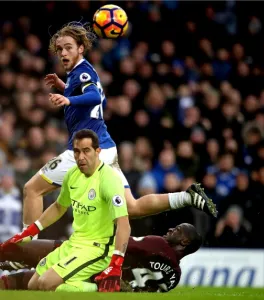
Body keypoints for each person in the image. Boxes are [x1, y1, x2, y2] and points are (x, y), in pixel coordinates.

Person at [22, 21, 217, 230]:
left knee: (32, 189)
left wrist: (69, 100)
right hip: (105, 148)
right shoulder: (81, 74)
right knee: (131, 207)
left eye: (68, 47)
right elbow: (103, 101)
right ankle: (186, 197)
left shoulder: (82, 73)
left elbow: (95, 96)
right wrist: (66, 88)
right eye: (60, 49)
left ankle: (24, 248)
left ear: (80, 48)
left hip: (86, 150)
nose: (63, 52)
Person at [0, 129, 131, 292]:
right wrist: (32, 229)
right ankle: (90, 282)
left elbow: (124, 223)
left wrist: (116, 263)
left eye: (86, 151)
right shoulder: (72, 174)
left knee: (46, 284)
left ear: (98, 152)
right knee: (33, 285)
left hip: (98, 249)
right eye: (77, 151)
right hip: (74, 243)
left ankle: (100, 288)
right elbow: (59, 206)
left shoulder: (109, 180)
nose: (81, 157)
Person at [0, 223, 202, 293]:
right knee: (34, 282)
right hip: (99, 283)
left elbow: (121, 241)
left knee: (19, 250)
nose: (170, 229)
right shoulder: (174, 277)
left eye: (177, 230)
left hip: (91, 256)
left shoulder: (159, 244)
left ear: (184, 242)